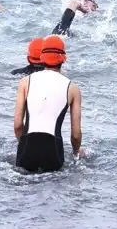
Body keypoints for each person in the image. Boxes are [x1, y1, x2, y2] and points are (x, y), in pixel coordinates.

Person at [14, 35, 82, 172]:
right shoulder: (73, 88)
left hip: (28, 147)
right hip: (53, 149)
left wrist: (24, 145)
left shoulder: (25, 82)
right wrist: (76, 153)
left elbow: (17, 125)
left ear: (41, 57)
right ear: (64, 59)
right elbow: (75, 134)